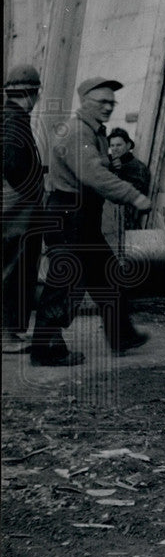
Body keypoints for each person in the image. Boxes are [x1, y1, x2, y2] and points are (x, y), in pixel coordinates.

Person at [29, 77, 153, 366]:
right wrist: (133, 196)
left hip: (82, 219)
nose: (109, 107)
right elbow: (94, 175)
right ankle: (44, 349)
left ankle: (122, 335)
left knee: (108, 276)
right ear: (85, 102)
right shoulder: (77, 133)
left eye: (112, 102)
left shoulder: (94, 132)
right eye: (102, 102)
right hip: (68, 217)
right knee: (64, 284)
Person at [2, 65, 45, 353]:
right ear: (31, 94)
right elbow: (10, 163)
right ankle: (5, 336)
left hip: (16, 207)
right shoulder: (14, 120)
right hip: (17, 210)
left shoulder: (11, 117)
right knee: (12, 268)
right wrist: (29, 190)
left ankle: (10, 333)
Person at [107, 128, 151, 230]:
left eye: (119, 145)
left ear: (128, 145)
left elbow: (130, 194)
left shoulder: (137, 167)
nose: (114, 148)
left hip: (126, 220)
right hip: (109, 218)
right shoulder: (110, 163)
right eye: (112, 145)